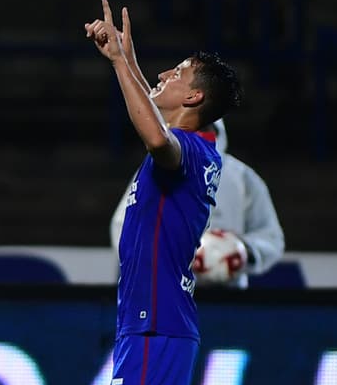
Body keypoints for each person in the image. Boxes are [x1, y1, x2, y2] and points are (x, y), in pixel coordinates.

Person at [85, 0, 337, 385]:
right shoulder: (201, 150)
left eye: (180, 72)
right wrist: (127, 62)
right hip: (155, 320)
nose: (166, 72)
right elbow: (155, 117)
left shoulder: (182, 150)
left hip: (154, 321)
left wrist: (123, 63)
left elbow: (155, 137)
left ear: (193, 100)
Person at [110, 118, 285, 289]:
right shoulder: (153, 173)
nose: (198, 135)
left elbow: (271, 238)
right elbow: (123, 229)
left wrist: (244, 251)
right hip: (169, 294)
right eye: (190, 128)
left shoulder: (244, 178)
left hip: (231, 299)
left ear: (218, 132)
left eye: (205, 127)